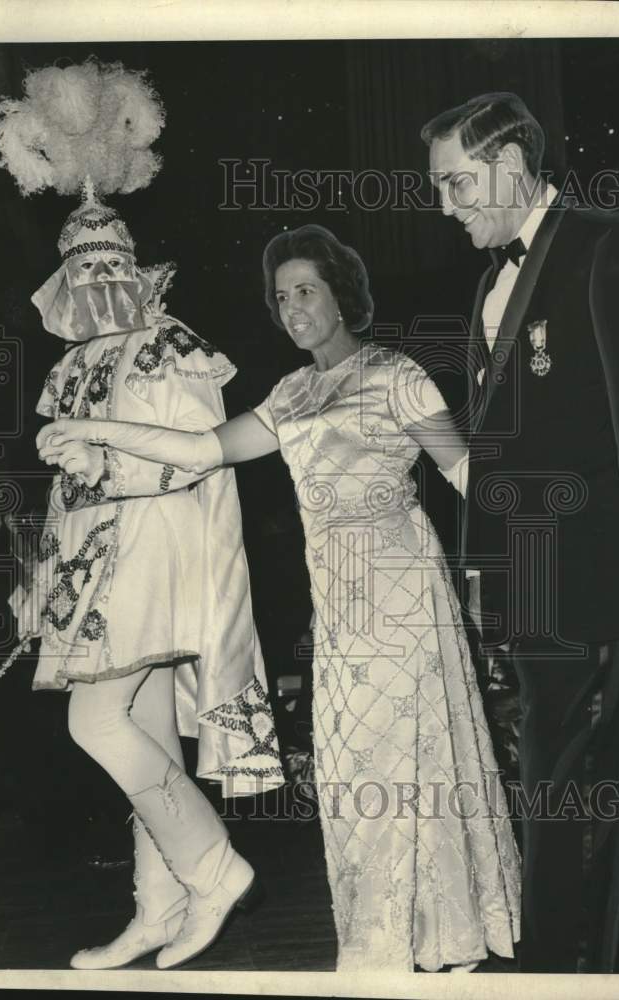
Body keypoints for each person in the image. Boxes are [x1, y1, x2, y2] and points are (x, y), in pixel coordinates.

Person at [38, 224, 522, 973]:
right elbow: (201, 450)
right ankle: (394, 935)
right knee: (348, 766)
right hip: (335, 598)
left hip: (400, 586)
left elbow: (471, 480)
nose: (293, 307)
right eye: (281, 296)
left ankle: (400, 944)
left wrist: (542, 552)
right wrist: (95, 429)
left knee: (403, 756)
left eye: (306, 291)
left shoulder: (395, 374)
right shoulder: (291, 394)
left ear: (342, 297)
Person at [421, 92, 619, 972]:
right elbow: (502, 449)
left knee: (563, 789)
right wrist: (485, 575)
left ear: (510, 165)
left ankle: (556, 974)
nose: (445, 205)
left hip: (603, 579)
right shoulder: (488, 283)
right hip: (537, 585)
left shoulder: (606, 244)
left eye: (455, 182)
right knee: (618, 793)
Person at [21, 196, 284, 971]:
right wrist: (40, 577)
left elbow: (201, 453)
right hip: (90, 565)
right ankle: (159, 907)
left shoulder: (172, 344)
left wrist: (106, 463)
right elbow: (65, 491)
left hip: (153, 551)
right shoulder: (69, 365)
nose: (98, 282)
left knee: (94, 722)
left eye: (111, 265)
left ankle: (213, 868)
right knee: (145, 729)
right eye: (82, 269)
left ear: (137, 270)